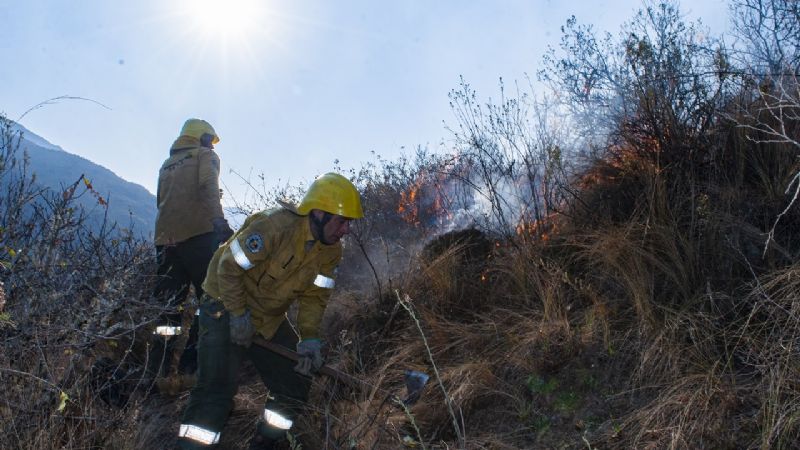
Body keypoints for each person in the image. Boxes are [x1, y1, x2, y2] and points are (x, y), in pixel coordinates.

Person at [176, 173, 363, 449]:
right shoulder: (274, 226)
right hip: (223, 304)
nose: (346, 229)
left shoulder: (331, 251)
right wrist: (237, 314)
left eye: (349, 223)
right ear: (319, 213)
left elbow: (314, 298)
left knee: (295, 382)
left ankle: (266, 440)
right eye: (342, 220)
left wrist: (309, 339)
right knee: (215, 392)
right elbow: (228, 268)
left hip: (268, 318)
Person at [150, 118, 233, 391]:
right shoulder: (205, 156)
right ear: (201, 137)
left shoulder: (167, 164)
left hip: (165, 242)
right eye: (210, 139)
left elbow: (160, 201)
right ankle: (191, 365)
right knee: (210, 300)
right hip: (199, 236)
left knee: (168, 310)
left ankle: (159, 373)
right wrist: (219, 221)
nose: (212, 145)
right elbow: (208, 186)